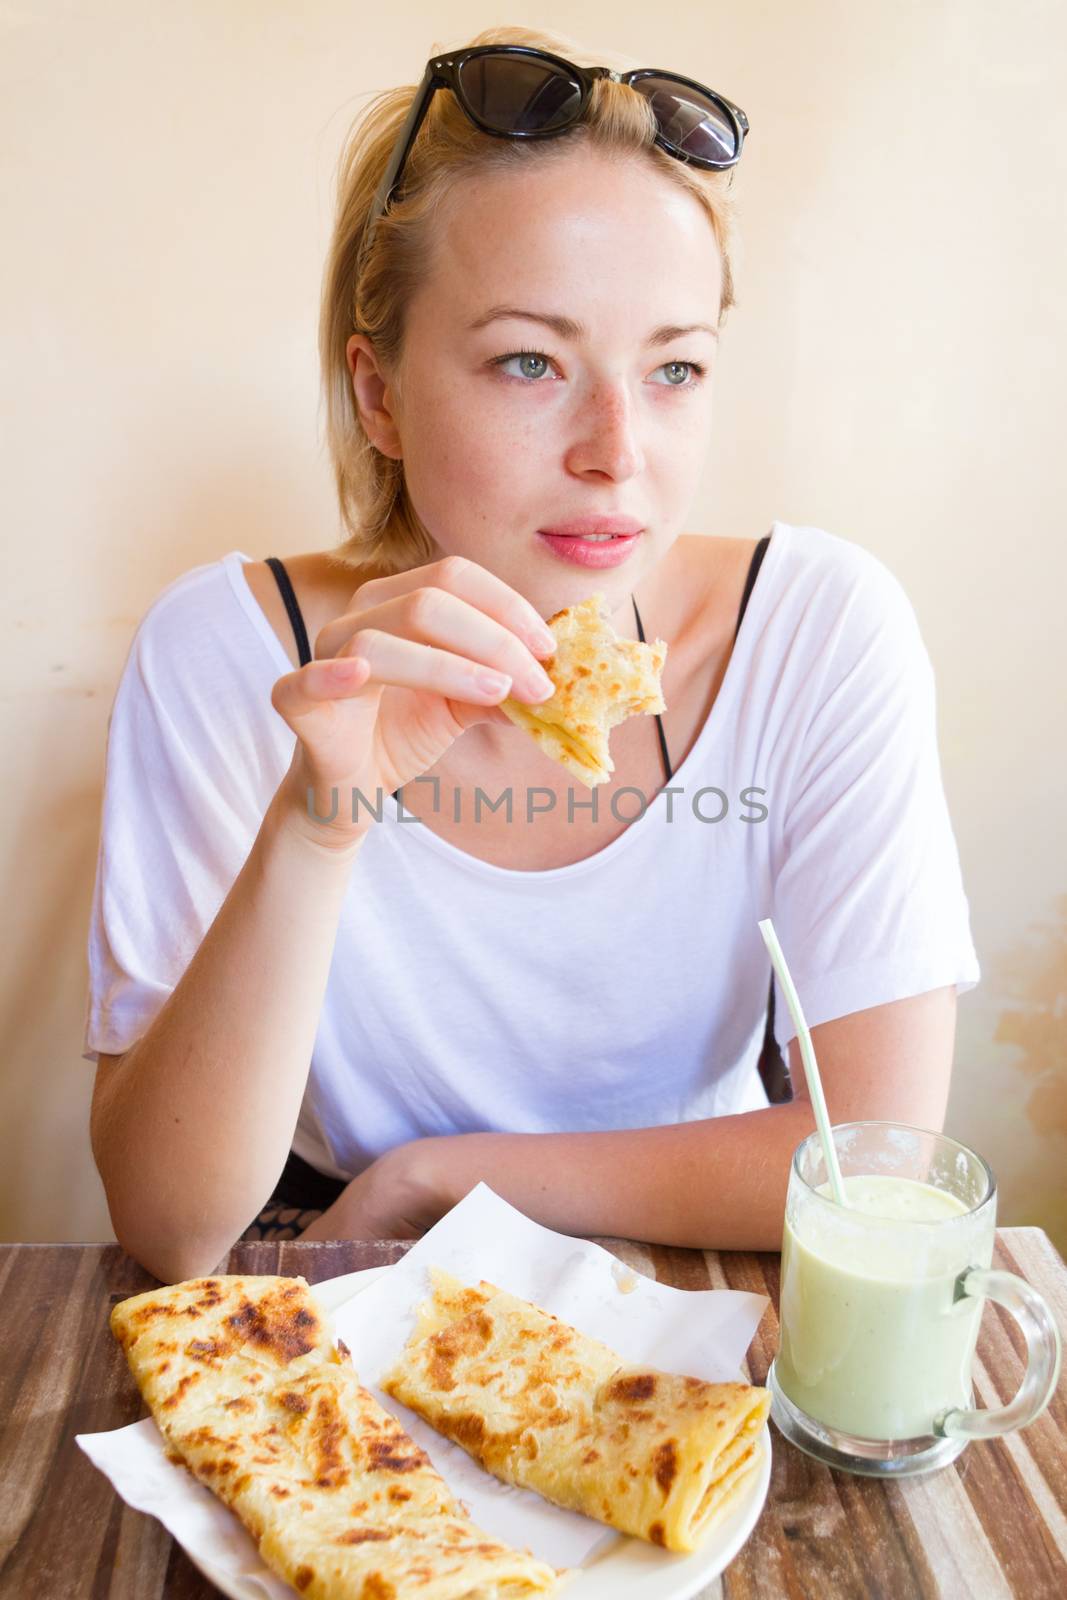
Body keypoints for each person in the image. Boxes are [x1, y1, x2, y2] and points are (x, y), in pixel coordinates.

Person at [85, 25, 980, 1283]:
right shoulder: (222, 656)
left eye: (673, 367)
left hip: (702, 1278)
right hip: (347, 1277)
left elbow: (878, 1163)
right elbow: (172, 1231)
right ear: (377, 395)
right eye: (529, 361)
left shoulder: (819, 631)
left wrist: (451, 1174)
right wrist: (318, 818)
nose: (617, 450)